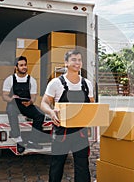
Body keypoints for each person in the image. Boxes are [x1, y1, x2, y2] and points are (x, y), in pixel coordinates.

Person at [41, 49, 94, 182]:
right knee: (57, 165)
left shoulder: (87, 84)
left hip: (80, 132)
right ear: (66, 63)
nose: (77, 63)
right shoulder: (56, 83)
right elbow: (44, 103)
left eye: (79, 60)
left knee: (82, 166)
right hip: (61, 132)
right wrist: (51, 112)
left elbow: (91, 106)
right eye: (74, 60)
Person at [2, 56, 45, 153]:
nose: (24, 67)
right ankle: (18, 140)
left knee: (40, 115)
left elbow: (33, 96)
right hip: (14, 104)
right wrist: (10, 98)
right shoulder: (10, 79)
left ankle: (32, 141)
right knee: (11, 111)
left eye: (25, 65)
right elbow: (4, 96)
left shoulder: (32, 80)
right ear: (16, 67)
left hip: (26, 104)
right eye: (21, 65)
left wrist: (30, 102)